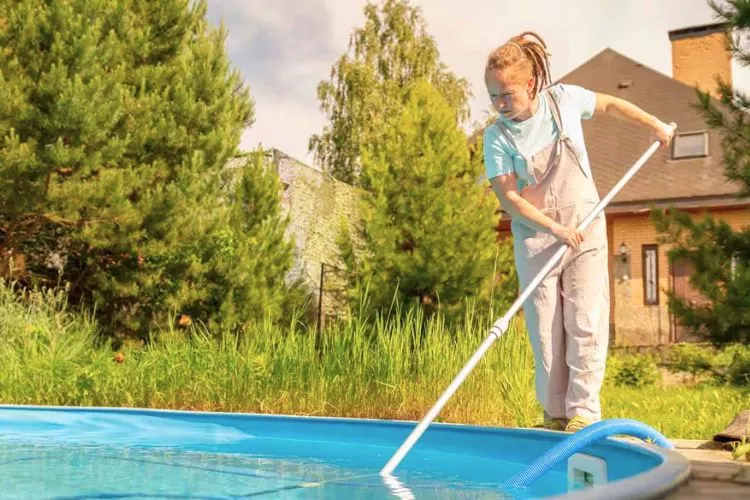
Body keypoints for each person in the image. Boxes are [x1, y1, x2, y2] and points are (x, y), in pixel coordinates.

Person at [482, 32, 675, 432]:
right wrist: (554, 227)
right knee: (546, 331)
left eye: (507, 94)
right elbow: (510, 199)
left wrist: (654, 123)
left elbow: (610, 104)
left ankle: (583, 411)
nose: (500, 104)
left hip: (584, 226)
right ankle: (554, 415)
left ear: (530, 84)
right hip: (537, 236)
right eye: (493, 96)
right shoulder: (496, 137)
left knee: (585, 316)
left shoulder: (563, 100)